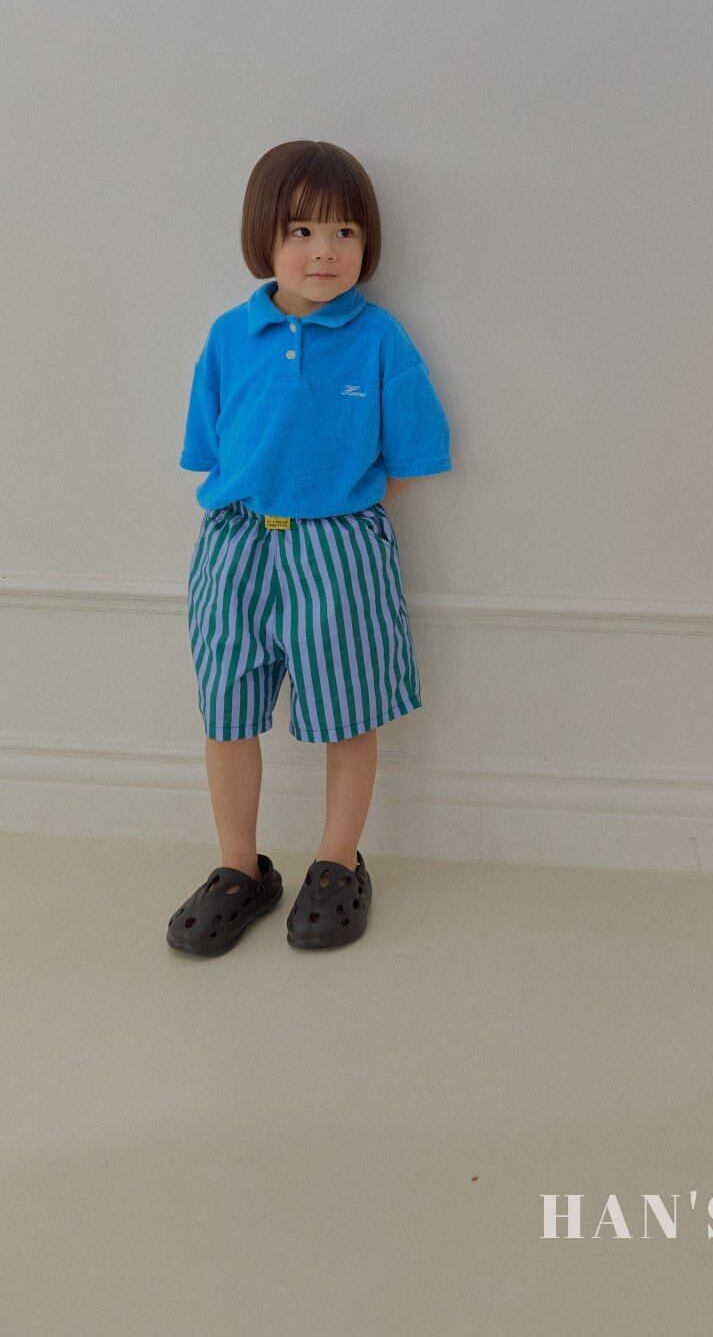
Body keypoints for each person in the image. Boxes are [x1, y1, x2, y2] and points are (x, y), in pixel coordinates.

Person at [166, 140, 451, 957]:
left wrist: (339, 511)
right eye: (300, 231)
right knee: (227, 708)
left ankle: (337, 862)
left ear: (366, 243)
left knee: (348, 708)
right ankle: (238, 868)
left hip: (340, 548)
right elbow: (212, 449)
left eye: (343, 232)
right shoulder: (230, 337)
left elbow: (412, 455)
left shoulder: (380, 338)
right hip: (236, 545)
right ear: (263, 237)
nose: (324, 251)